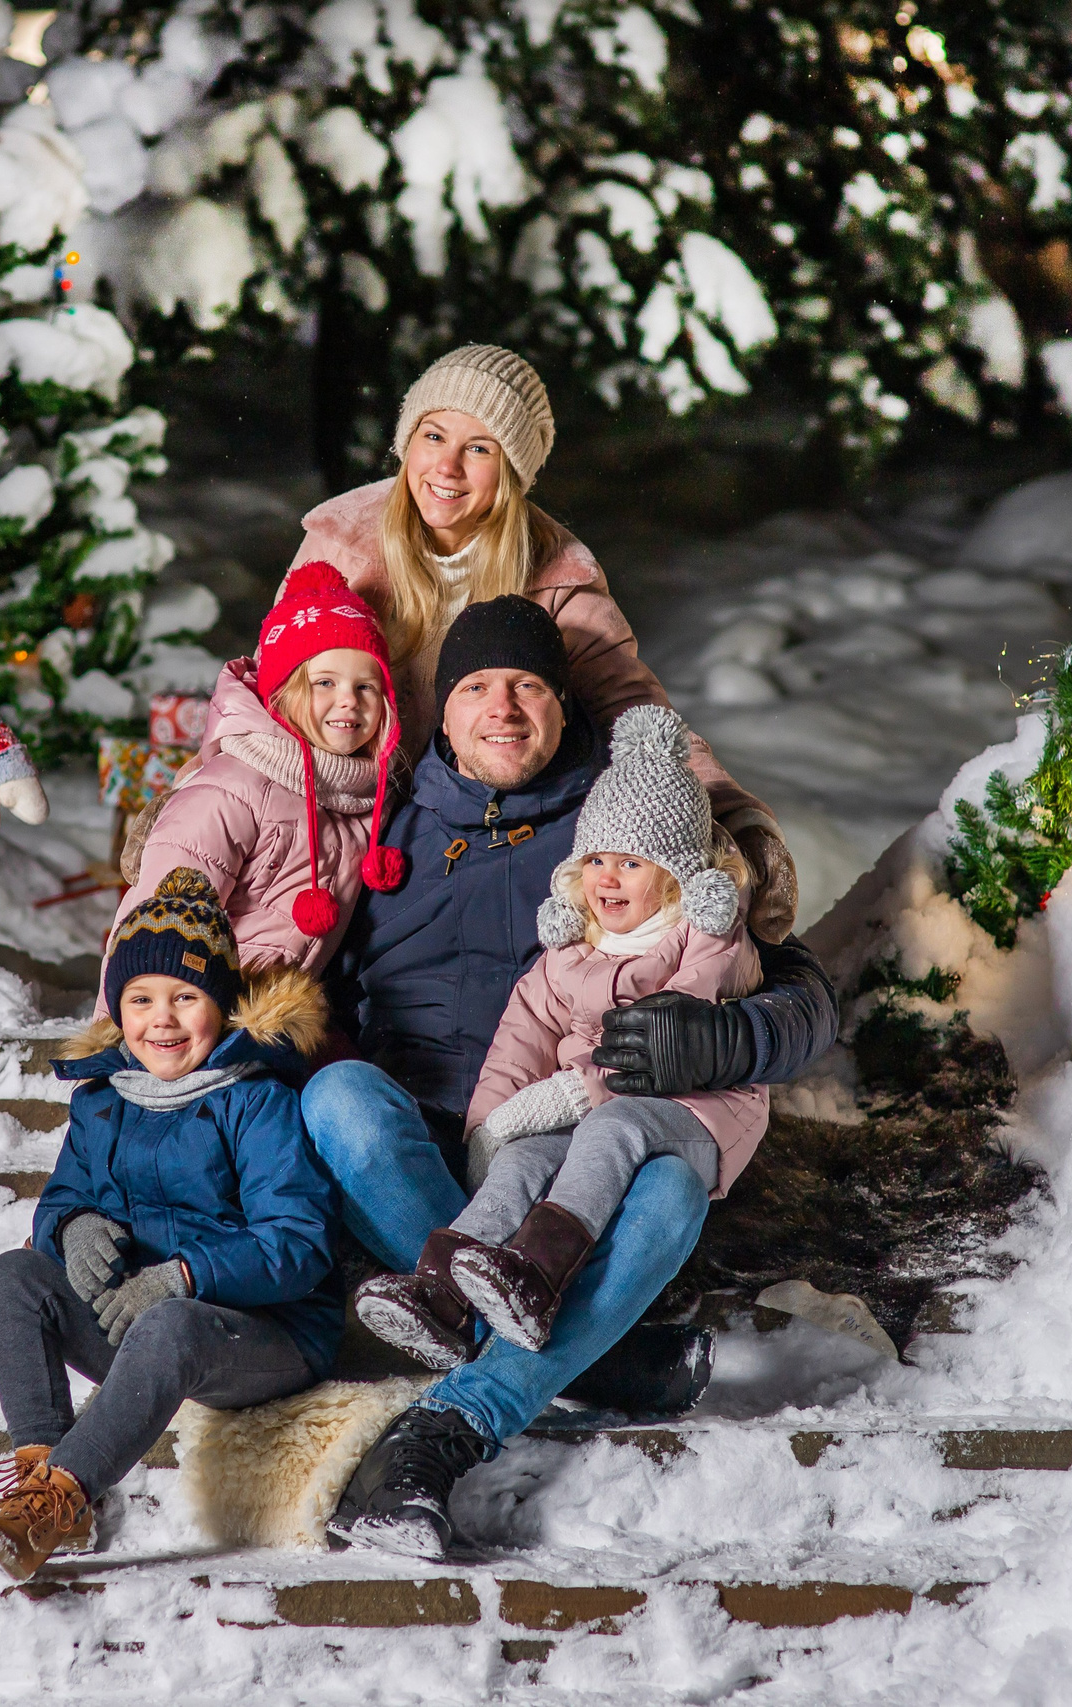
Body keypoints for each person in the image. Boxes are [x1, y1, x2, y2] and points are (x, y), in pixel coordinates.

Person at [309, 596, 840, 1559]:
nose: (501, 709)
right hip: (441, 1160)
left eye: (526, 686)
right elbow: (284, 972)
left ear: (563, 704)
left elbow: (796, 988)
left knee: (675, 1174)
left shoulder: (637, 817)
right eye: (475, 687)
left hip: (591, 1162)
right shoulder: (381, 817)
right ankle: (598, 1348)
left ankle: (442, 1432)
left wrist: (723, 1042)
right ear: (441, 708)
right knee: (332, 1098)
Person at [286, 343, 800, 943]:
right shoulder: (343, 542)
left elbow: (630, 708)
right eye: (433, 436)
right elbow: (274, 689)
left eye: (478, 448)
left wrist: (734, 816)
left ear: (511, 470)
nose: (446, 468)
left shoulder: (557, 573)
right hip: (345, 822)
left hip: (488, 832)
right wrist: (196, 796)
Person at [353, 706, 769, 1379]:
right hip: (584, 1108)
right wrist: (492, 1122)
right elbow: (525, 1029)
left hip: (690, 1113)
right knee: (522, 1158)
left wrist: (583, 1088)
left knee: (612, 1128)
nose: (607, 878)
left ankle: (535, 1281)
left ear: (674, 871)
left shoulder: (705, 938)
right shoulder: (576, 946)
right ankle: (442, 1295)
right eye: (597, 859)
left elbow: (668, 1041)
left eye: (631, 863)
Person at [0, 869, 339, 1581]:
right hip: (141, 1324)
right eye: (141, 999)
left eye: (184, 997)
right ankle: (44, 1476)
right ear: (118, 1008)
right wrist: (70, 1228)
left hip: (258, 1333)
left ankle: (64, 1498)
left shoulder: (255, 1100)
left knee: (171, 1325)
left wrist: (186, 1274)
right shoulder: (104, 1102)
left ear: (219, 1007)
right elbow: (62, 1199)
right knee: (13, 1276)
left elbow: (300, 1241)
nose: (161, 1019)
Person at [104, 562, 403, 978]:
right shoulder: (230, 791)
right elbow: (148, 934)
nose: (349, 700)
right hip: (189, 1014)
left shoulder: (364, 798)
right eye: (325, 683)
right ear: (282, 691)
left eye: (365, 686)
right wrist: (123, 1036)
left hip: (273, 1018)